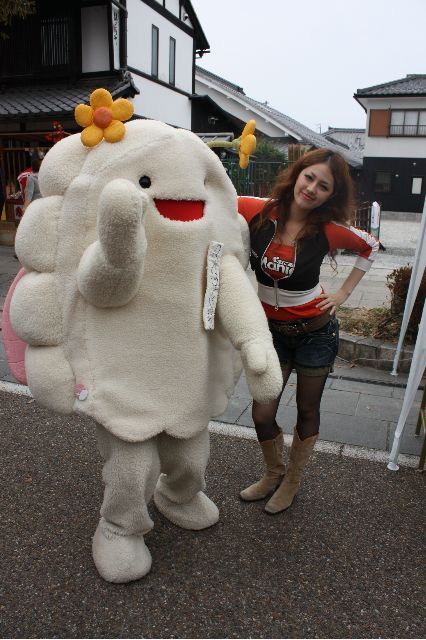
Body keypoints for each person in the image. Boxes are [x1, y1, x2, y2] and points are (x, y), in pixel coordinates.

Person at [237, 148, 379, 515]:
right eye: (309, 177)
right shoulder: (258, 211)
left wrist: (343, 293)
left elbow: (370, 245)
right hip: (271, 332)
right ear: (297, 174)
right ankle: (273, 472)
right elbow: (214, 200)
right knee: (262, 412)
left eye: (324, 186)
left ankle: (292, 481)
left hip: (316, 332)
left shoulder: (329, 230)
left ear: (331, 195)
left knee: (306, 409)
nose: (312, 188)